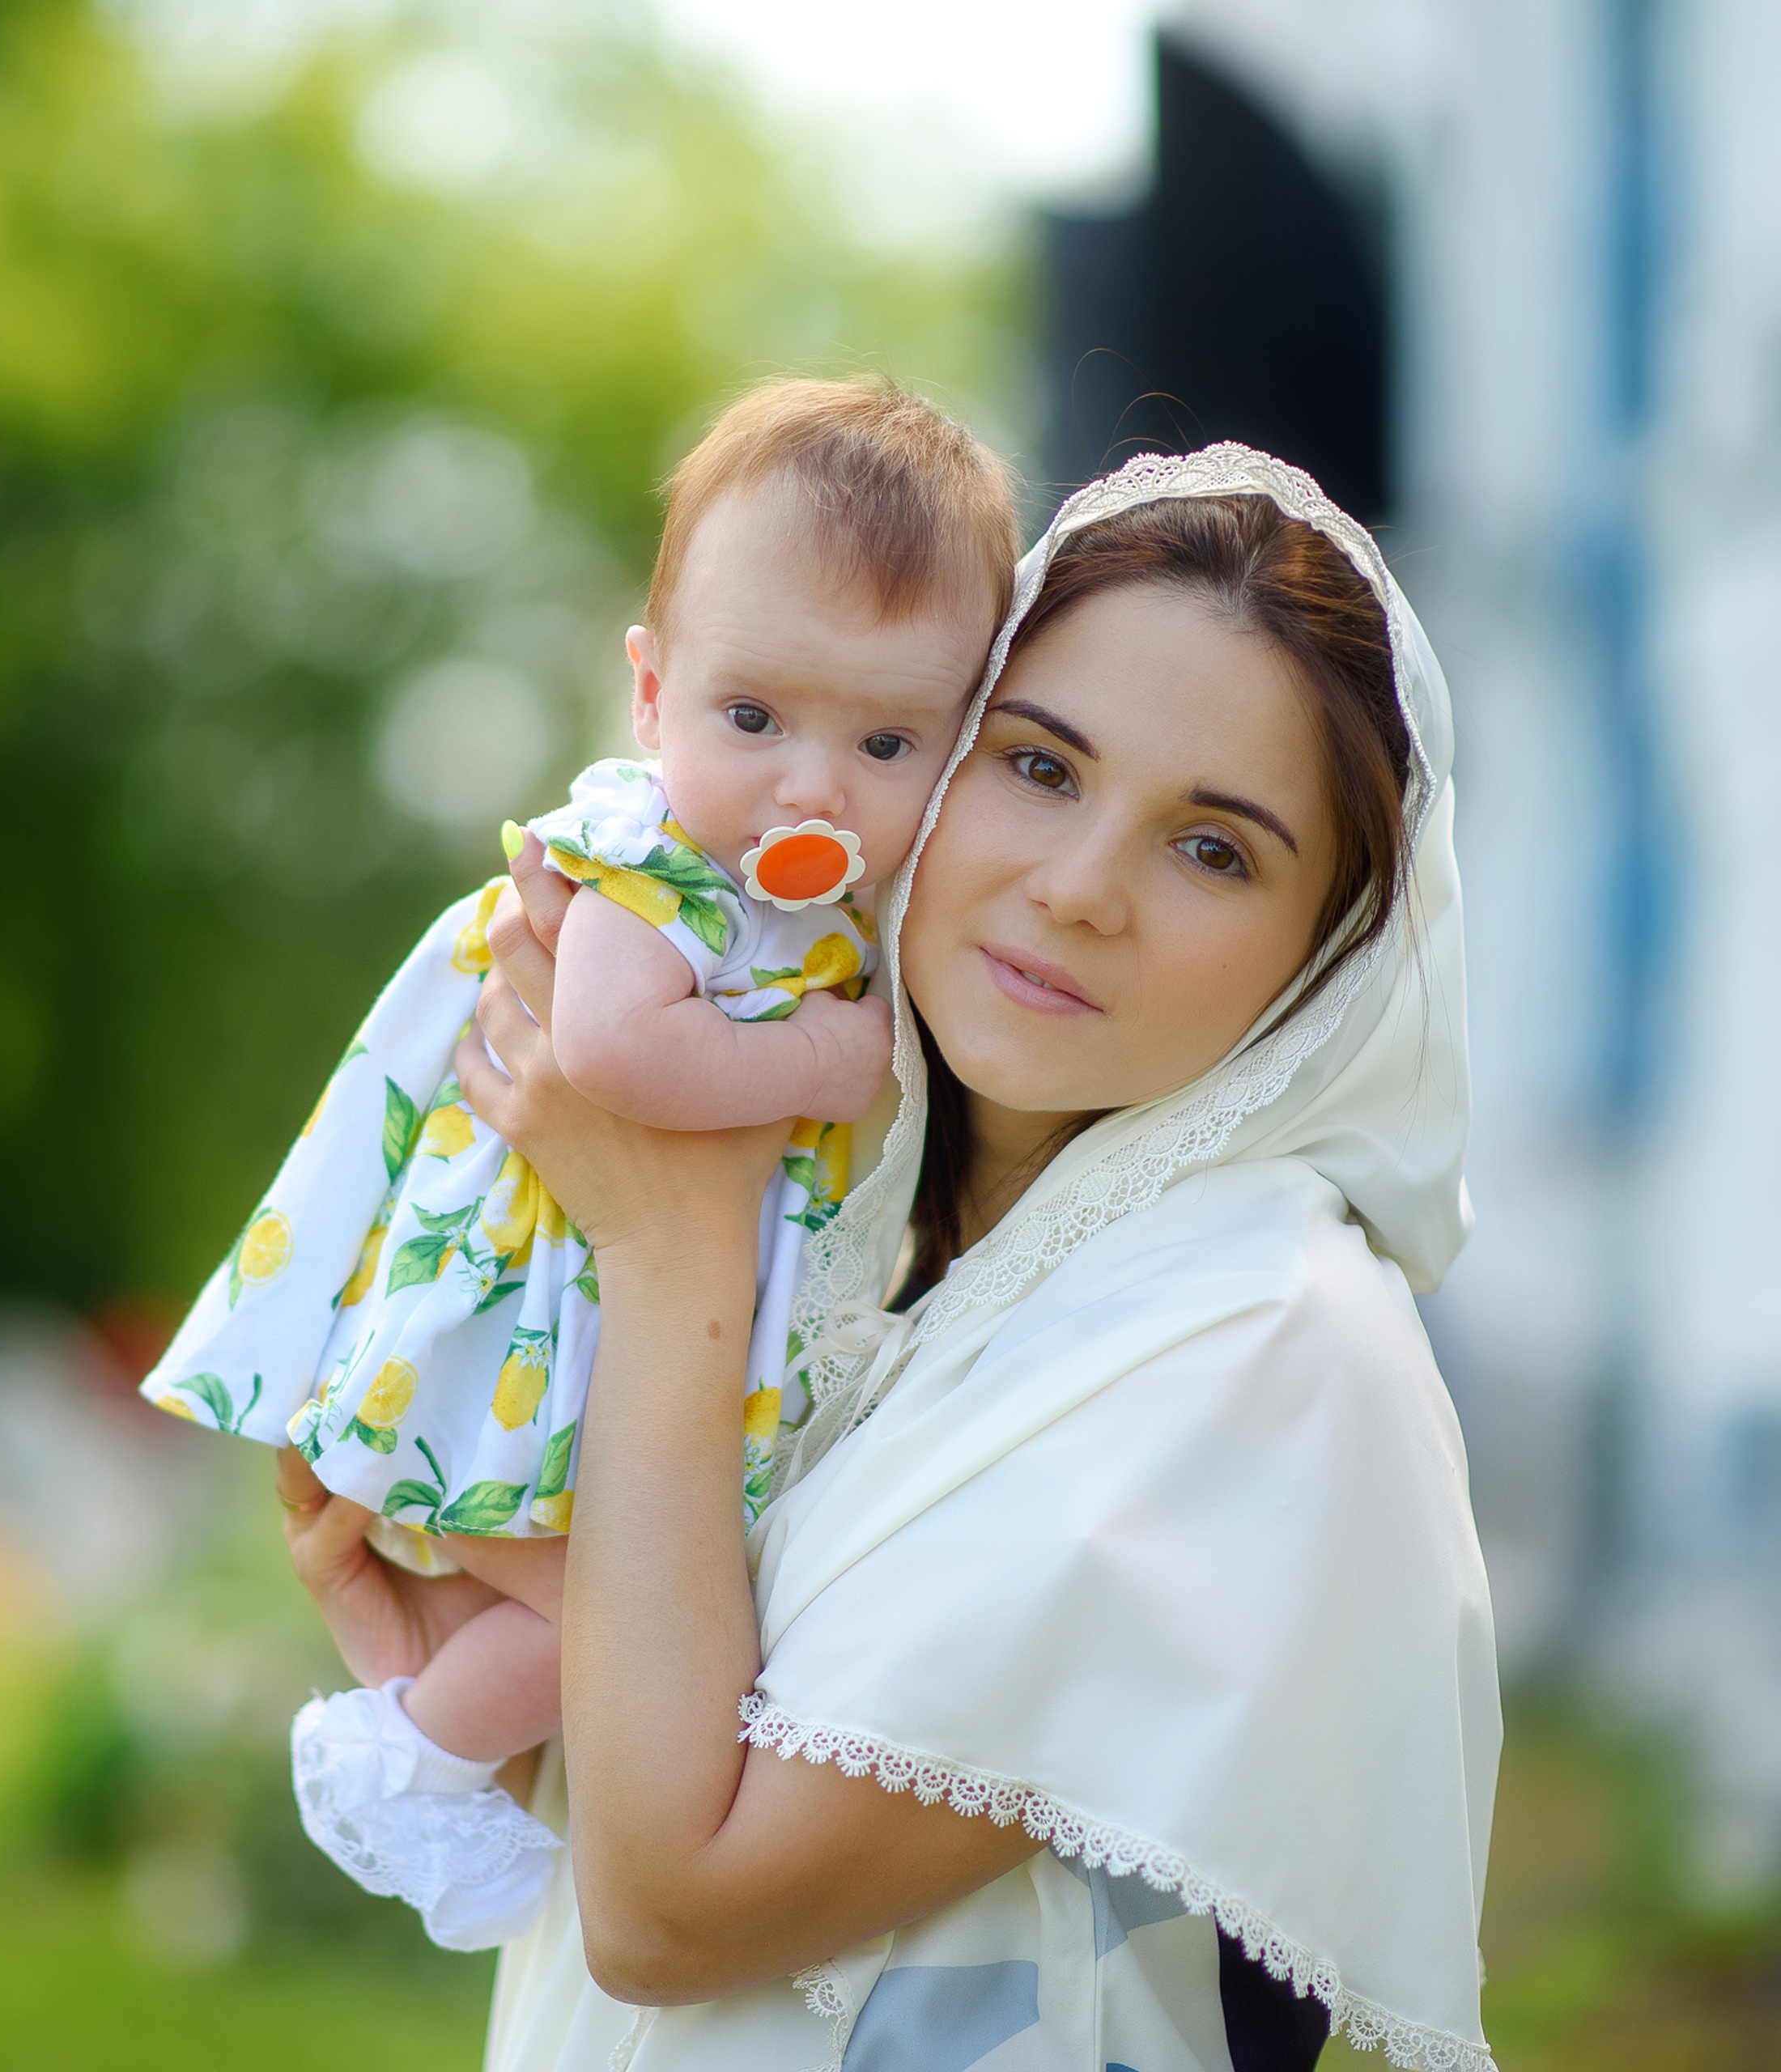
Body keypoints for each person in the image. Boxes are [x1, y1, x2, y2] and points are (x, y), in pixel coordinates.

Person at [279, 444, 1500, 2072]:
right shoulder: (867, 1244)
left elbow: (671, 1912)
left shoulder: (1252, 1340)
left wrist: (664, 1248)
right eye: (1037, 766)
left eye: (1213, 849)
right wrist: (482, 1679)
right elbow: (674, 1810)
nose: (1073, 890)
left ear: (1327, 949)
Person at [138, 376, 1020, 1948]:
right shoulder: (638, 863)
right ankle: (403, 1754)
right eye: (751, 717)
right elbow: (611, 1053)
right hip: (511, 1330)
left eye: (883, 738)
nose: (809, 783)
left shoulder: (807, 907)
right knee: (608, 1621)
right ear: (649, 694)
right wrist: (815, 1063)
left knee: (597, 1616)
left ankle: (421, 1723)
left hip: (607, 1338)